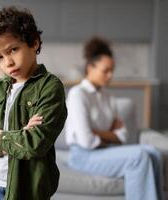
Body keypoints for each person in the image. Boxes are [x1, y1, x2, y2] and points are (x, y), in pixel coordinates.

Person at [0, 6, 67, 200]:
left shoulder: (50, 87)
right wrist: (15, 138)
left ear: (34, 42)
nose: (8, 62)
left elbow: (33, 145)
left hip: (26, 190)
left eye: (13, 49)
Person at [64, 37, 163, 200]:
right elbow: (86, 140)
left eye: (112, 70)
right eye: (106, 70)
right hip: (82, 156)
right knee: (138, 156)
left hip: (104, 151)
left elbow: (122, 136)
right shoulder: (78, 94)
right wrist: (110, 135)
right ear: (90, 68)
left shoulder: (108, 97)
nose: (110, 75)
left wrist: (99, 133)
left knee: (154, 153)